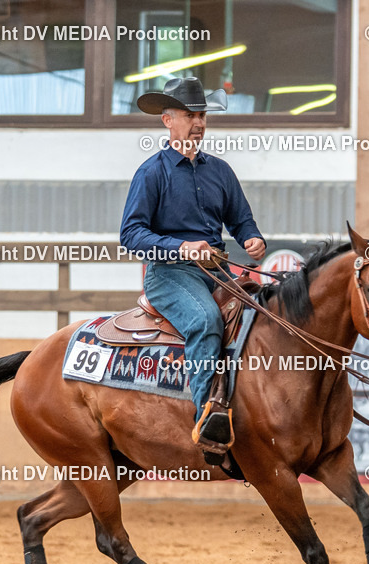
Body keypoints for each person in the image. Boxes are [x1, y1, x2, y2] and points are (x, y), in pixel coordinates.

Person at [120, 76, 266, 454]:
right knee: (204, 321)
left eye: (202, 115)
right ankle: (208, 419)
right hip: (169, 275)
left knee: (265, 318)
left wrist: (252, 237)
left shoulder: (220, 171)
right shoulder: (151, 173)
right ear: (168, 120)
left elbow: (241, 220)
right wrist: (183, 248)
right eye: (190, 115)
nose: (198, 122)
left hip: (217, 272)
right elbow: (131, 234)